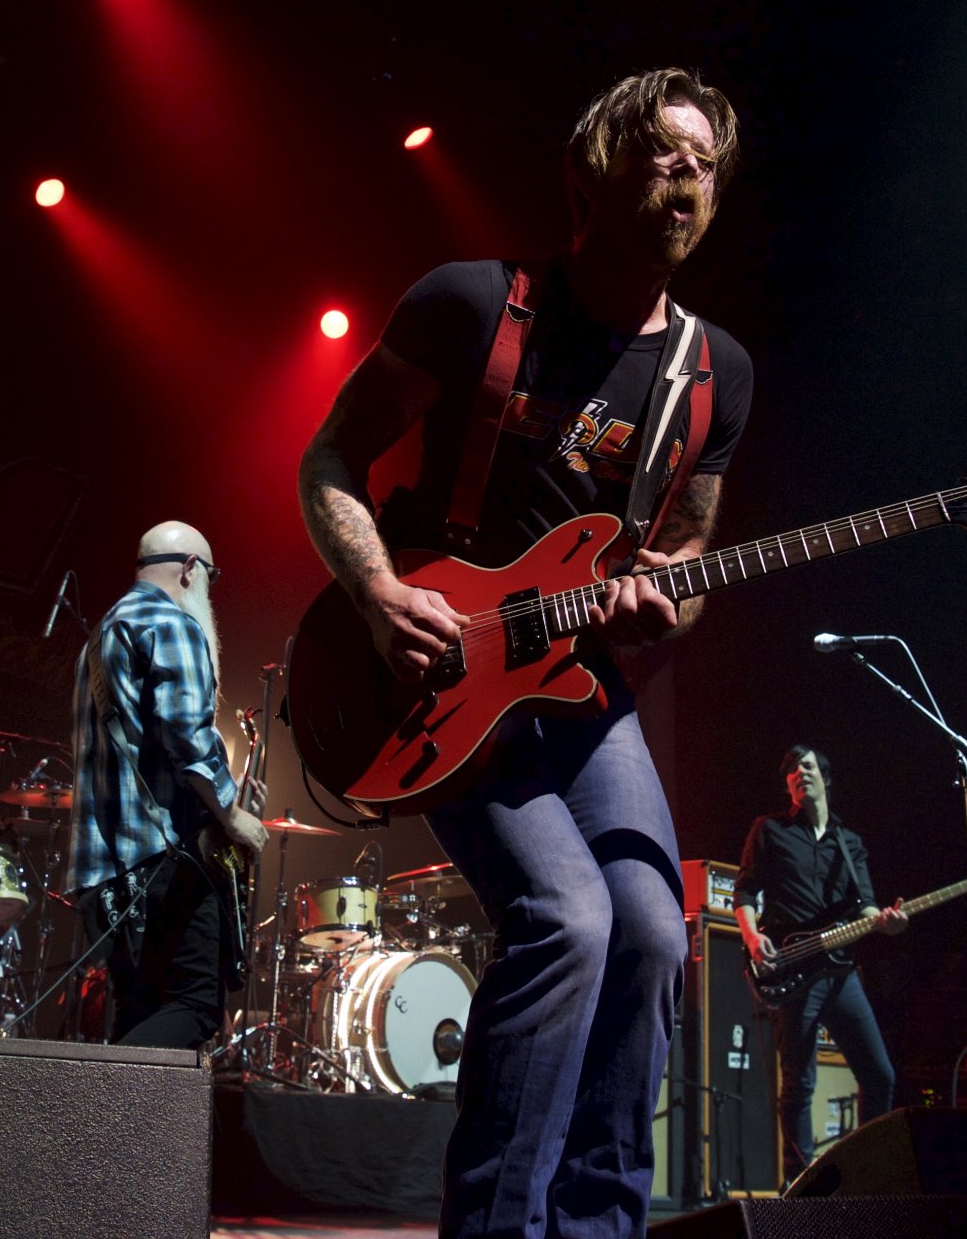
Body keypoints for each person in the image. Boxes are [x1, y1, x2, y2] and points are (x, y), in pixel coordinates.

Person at [298, 68, 754, 1238]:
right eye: (663, 150)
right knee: (570, 917)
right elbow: (330, 460)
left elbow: (688, 551)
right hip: (438, 670)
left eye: (705, 162)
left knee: (655, 928)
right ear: (595, 164)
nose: (686, 176)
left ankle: (600, 1227)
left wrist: (670, 609)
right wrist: (376, 590)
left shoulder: (715, 374)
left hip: (578, 688)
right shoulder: (471, 301)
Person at [63, 521, 267, 1050]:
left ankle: (113, 1131)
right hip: (161, 867)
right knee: (197, 1008)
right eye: (211, 577)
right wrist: (231, 814)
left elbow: (142, 750)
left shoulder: (102, 633)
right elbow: (187, 736)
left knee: (139, 1011)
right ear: (191, 570)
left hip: (106, 872)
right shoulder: (169, 623)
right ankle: (96, 1111)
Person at [735, 746, 904, 1167]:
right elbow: (745, 890)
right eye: (791, 769)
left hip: (839, 971)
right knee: (798, 1083)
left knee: (880, 1076)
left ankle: (867, 1171)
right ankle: (800, 1187)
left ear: (825, 779)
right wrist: (754, 938)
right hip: (790, 968)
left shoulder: (849, 843)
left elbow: (865, 906)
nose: (797, 773)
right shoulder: (769, 830)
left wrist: (886, 920)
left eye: (806, 766)